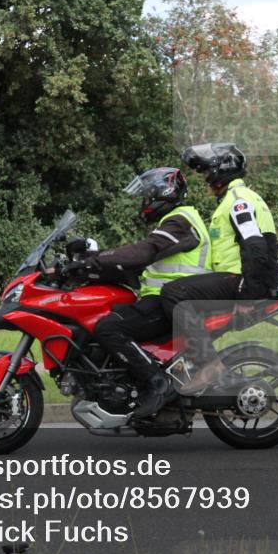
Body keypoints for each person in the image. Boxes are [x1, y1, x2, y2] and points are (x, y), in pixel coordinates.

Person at [75, 167, 212, 417]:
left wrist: (94, 259)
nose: (144, 201)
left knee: (109, 328)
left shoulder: (180, 221)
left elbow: (141, 252)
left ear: (163, 193)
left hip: (174, 302)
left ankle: (157, 382)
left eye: (147, 195)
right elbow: (138, 262)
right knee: (110, 312)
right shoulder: (172, 223)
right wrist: (89, 267)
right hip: (165, 300)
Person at [160, 143, 278, 394]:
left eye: (206, 171)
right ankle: (185, 364)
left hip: (240, 281)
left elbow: (255, 245)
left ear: (220, 171)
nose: (204, 178)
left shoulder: (238, 201)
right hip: (239, 278)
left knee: (172, 293)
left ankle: (209, 364)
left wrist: (249, 294)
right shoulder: (237, 199)